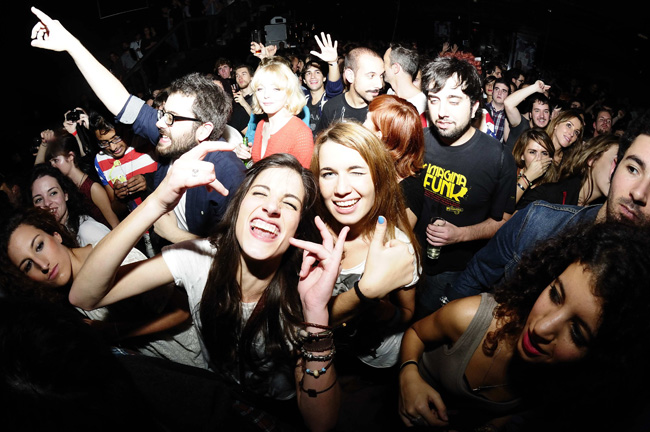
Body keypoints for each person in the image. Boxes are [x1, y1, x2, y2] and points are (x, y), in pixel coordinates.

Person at [69, 146, 346, 432]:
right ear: (238, 205)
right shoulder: (198, 257)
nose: (272, 207)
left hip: (276, 412)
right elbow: (84, 295)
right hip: (221, 396)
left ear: (297, 229)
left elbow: (320, 423)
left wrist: (316, 314)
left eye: (289, 204)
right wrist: (156, 203)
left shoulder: (303, 290)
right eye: (260, 193)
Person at [398, 221, 650, 431]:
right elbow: (416, 332)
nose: (541, 328)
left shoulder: (561, 386)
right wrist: (408, 376)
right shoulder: (471, 316)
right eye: (555, 295)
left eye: (576, 332)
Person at [29, 8, 246, 244]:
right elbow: (121, 100)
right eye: (163, 113)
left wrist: (174, 235)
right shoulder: (176, 136)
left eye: (171, 118)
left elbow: (236, 256)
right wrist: (72, 45)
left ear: (203, 130)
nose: (160, 122)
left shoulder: (227, 173)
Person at [449, 108, 650, 303]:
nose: (640, 192)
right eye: (632, 169)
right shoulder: (545, 210)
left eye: (576, 131)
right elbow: (500, 233)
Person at [0, 207, 205, 369]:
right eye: (28, 265)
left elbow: (181, 312)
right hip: (173, 370)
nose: (42, 265)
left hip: (200, 354)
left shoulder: (114, 260)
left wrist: (112, 331)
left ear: (56, 236)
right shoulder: (72, 297)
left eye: (39, 246)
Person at [311, 121, 420, 369]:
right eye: (329, 174)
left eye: (356, 172)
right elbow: (296, 321)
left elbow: (408, 313)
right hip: (326, 358)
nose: (341, 189)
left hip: (376, 362)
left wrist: (387, 312)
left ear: (378, 178)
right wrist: (365, 293)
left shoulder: (396, 246)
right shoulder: (308, 236)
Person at [414, 55, 517, 318]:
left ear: (474, 107)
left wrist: (460, 235)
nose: (442, 111)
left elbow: (504, 221)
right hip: (408, 256)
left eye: (453, 100)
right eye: (434, 100)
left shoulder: (498, 159)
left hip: (453, 270)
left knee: (428, 323)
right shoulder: (417, 141)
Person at [238, 59, 314, 168]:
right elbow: (261, 167)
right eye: (260, 89)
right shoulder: (261, 125)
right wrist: (248, 155)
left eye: (276, 89)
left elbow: (305, 176)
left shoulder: (301, 133)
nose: (266, 95)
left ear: (289, 92)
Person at [363, 94, 425, 228]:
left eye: (366, 120)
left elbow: (399, 238)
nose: (361, 125)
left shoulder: (409, 191)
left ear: (378, 136)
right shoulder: (371, 169)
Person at [517, 133, 618, 209]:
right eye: (615, 162)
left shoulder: (598, 216)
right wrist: (526, 179)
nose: (617, 172)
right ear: (592, 159)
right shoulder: (548, 197)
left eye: (544, 153)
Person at [45, 132, 120, 229]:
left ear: (71, 156)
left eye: (56, 160)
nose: (53, 166)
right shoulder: (67, 187)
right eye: (51, 162)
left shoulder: (93, 188)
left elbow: (115, 224)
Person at [90, 114, 158, 215]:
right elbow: (117, 210)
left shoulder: (146, 140)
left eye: (116, 138)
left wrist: (149, 181)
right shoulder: (100, 160)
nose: (113, 147)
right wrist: (118, 198)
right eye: (104, 143)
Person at [28, 164, 110, 247]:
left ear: (65, 195)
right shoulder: (49, 239)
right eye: (39, 200)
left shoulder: (87, 230)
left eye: (53, 193)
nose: (47, 203)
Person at [314, 47, 385, 133]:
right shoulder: (331, 108)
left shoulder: (385, 110)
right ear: (350, 76)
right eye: (371, 76)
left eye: (381, 75)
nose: (379, 85)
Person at [503, 80, 551, 152]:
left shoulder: (547, 135)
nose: (542, 116)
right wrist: (535, 87)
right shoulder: (520, 125)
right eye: (537, 111)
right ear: (530, 114)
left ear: (550, 115)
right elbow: (508, 103)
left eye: (546, 111)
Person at [511, 128, 556, 204]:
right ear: (522, 155)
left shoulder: (550, 187)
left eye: (544, 153)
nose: (539, 158)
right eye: (532, 152)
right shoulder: (510, 173)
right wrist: (527, 178)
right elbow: (504, 208)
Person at [382, 43, 426, 115]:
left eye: (385, 62)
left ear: (395, 68)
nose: (382, 68)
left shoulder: (421, 104)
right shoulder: (390, 93)